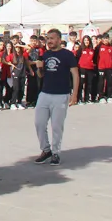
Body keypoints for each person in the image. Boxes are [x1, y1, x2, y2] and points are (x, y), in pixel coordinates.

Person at [31, 29, 79, 166]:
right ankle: (46, 150)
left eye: (52, 38)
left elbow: (75, 75)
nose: (49, 41)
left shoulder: (68, 55)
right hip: (45, 93)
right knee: (39, 123)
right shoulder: (45, 55)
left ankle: (56, 152)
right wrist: (39, 68)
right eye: (48, 39)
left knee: (57, 126)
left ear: (59, 39)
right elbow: (41, 75)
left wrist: (74, 95)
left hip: (61, 94)